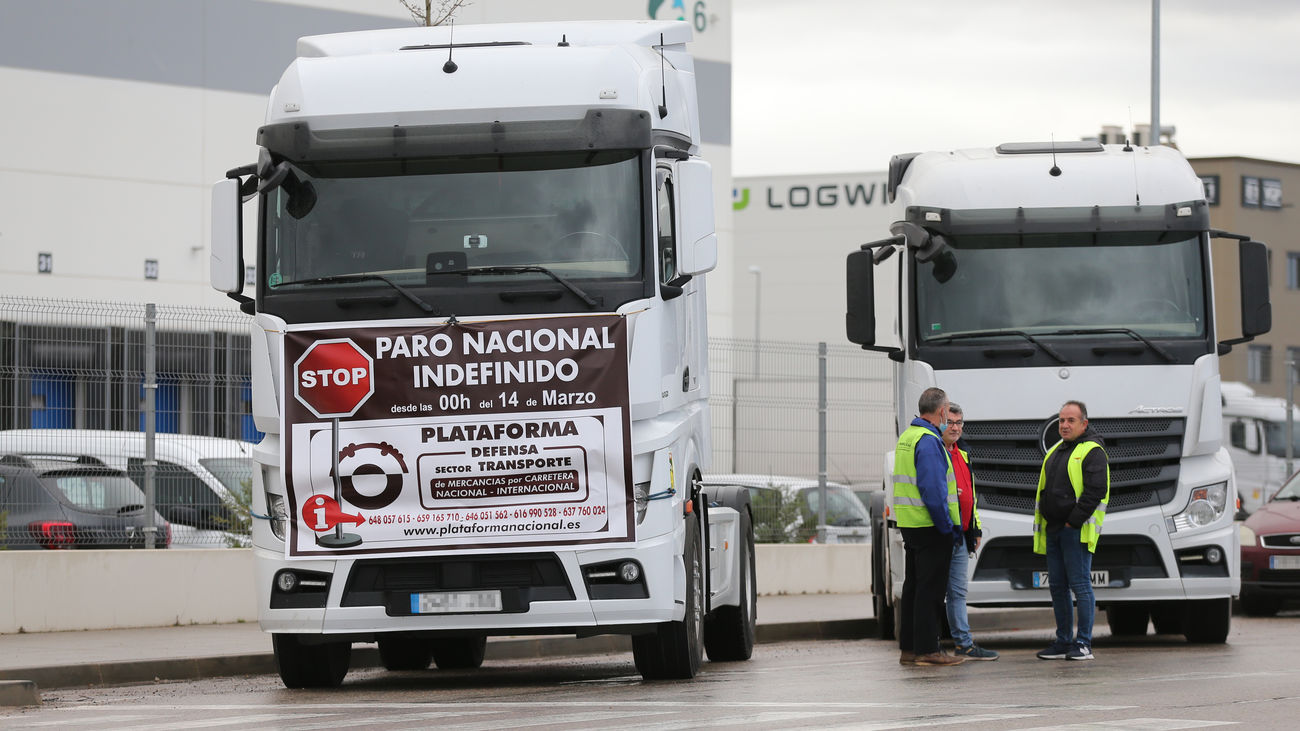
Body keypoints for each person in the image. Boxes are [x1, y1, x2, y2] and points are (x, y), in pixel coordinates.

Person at [1034, 400, 1110, 661]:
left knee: (1080, 586)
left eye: (1070, 421)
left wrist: (1073, 522)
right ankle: (1064, 642)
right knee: (1057, 587)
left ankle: (1084, 644)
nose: (1064, 425)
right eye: (1061, 420)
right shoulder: (1056, 450)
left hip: (1075, 531)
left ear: (1084, 424)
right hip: (1054, 530)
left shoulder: (1093, 450)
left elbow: (1096, 491)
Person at [894, 387, 965, 666]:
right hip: (930, 525)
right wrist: (946, 526)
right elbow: (933, 491)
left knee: (914, 588)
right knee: (931, 591)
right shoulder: (929, 440)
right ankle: (928, 650)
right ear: (942, 411)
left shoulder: (908, 436)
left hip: (910, 523)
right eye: (947, 410)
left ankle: (910, 649)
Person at [942, 403, 998, 661]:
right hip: (942, 534)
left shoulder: (963, 454)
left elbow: (970, 498)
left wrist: (974, 528)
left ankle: (963, 644)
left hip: (961, 536)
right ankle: (930, 644)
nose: (955, 428)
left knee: (958, 592)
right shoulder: (936, 452)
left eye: (959, 423)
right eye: (950, 422)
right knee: (935, 592)